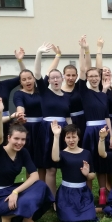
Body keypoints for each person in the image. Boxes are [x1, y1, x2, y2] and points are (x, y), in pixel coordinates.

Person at [0, 93, 53, 222]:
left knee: (40, 185)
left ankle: (23, 217)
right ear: (9, 138)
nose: (20, 142)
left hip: (11, 190)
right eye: (16, 139)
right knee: (30, 198)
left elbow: (34, 176)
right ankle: (7, 216)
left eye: (23, 140)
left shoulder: (23, 152)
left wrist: (16, 191)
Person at [33, 43, 72, 197]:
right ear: (48, 80)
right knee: (50, 167)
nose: (55, 80)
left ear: (62, 79)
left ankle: (67, 194)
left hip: (64, 131)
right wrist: (39, 53)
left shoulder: (67, 97)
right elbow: (36, 72)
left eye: (58, 77)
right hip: (47, 131)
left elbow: (68, 117)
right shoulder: (43, 92)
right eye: (52, 78)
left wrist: (73, 132)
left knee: (66, 164)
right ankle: (52, 199)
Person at [51, 123, 98, 222]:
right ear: (64, 139)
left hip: (83, 193)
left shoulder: (86, 153)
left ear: (79, 138)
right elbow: (54, 158)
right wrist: (56, 135)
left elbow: (93, 175)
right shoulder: (62, 154)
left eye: (74, 137)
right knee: (70, 219)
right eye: (68, 137)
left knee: (90, 218)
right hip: (66, 194)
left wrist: (86, 174)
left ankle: (90, 209)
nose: (71, 140)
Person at [79, 66, 112, 205]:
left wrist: (111, 136)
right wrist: (84, 49)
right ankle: (87, 195)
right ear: (87, 78)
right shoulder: (84, 92)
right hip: (90, 131)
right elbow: (81, 71)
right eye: (90, 76)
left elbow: (107, 117)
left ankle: (103, 194)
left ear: (100, 77)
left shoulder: (104, 95)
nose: (93, 78)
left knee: (102, 163)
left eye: (96, 76)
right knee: (89, 162)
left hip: (103, 131)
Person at [13, 69, 43, 167]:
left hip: (43, 127)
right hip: (29, 128)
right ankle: (31, 181)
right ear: (20, 82)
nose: (28, 81)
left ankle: (42, 182)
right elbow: (20, 107)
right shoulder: (18, 94)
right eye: (24, 79)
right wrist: (20, 114)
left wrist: (57, 55)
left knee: (42, 160)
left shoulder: (41, 91)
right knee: (30, 161)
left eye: (30, 78)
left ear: (34, 78)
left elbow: (49, 73)